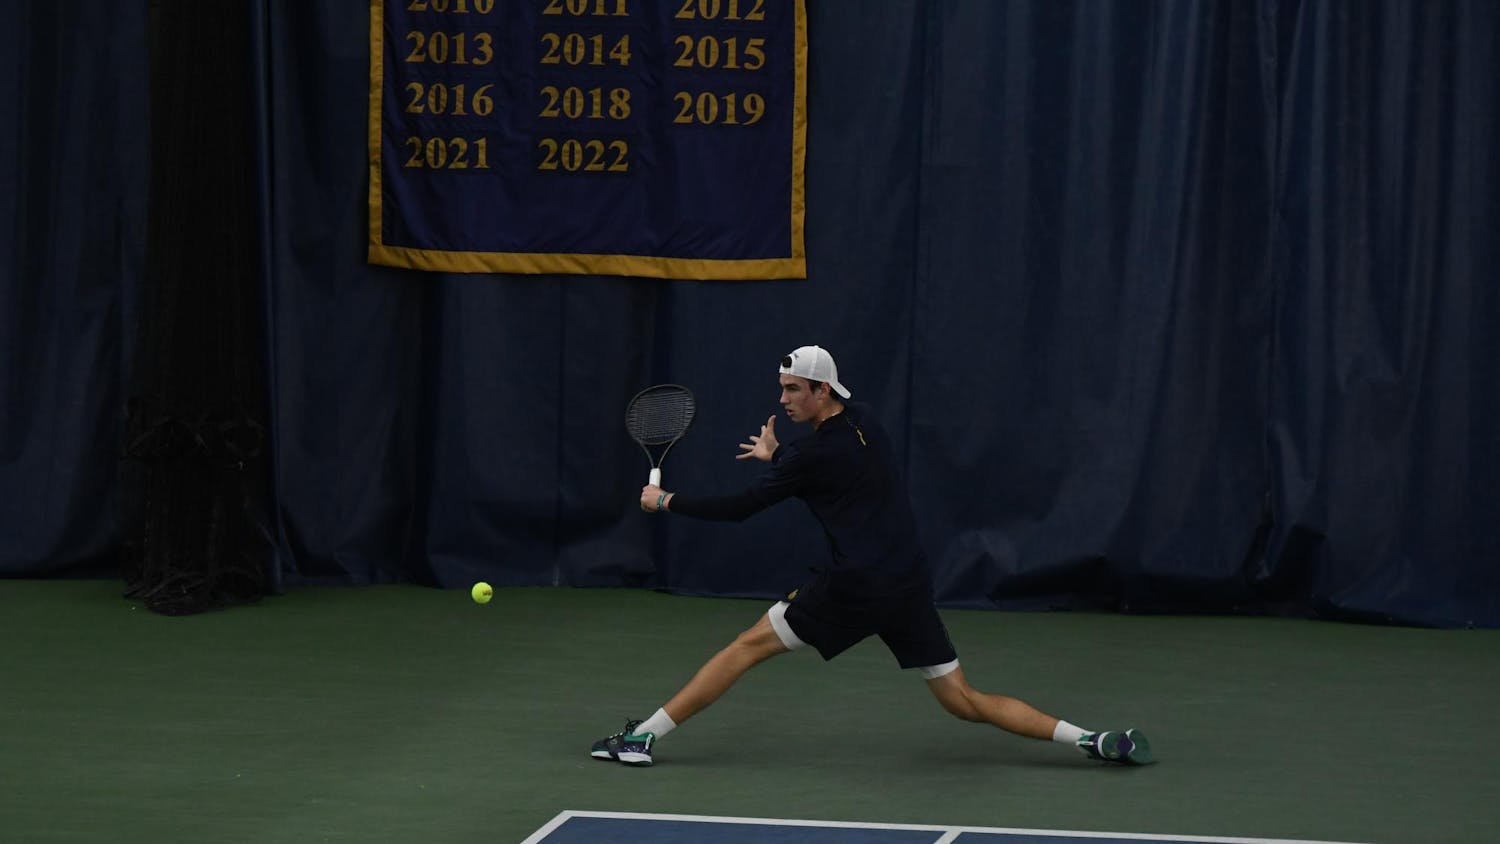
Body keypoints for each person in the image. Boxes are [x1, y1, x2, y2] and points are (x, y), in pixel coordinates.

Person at [591, 345, 1153, 768]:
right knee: (962, 700)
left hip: (854, 588)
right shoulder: (866, 424)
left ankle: (641, 739)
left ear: (821, 391)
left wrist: (665, 500)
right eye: (782, 388)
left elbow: (741, 509)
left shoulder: (810, 453)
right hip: (906, 585)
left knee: (744, 648)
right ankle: (1092, 741)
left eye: (793, 390)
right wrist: (781, 455)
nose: (783, 399)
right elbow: (830, 473)